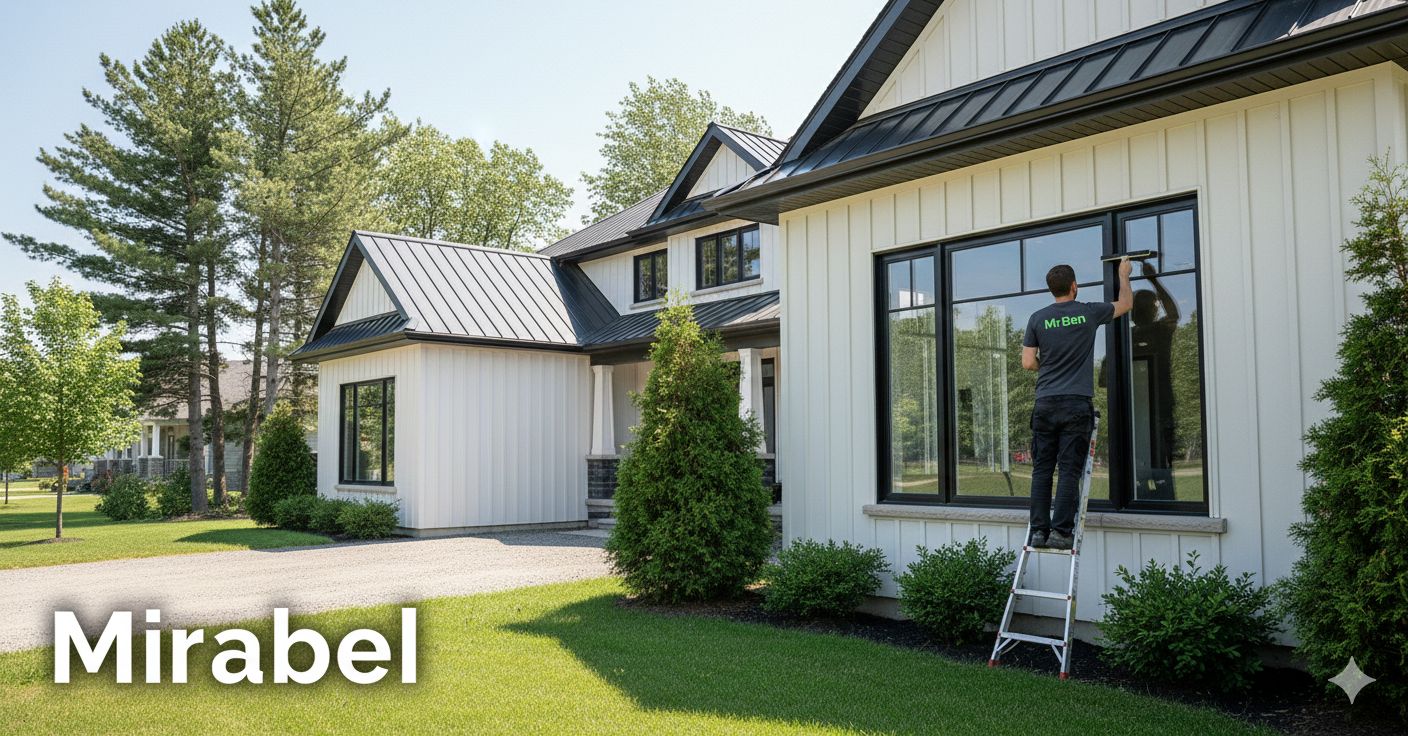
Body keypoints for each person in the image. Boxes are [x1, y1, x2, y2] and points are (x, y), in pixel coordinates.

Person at [1020, 259, 1133, 550]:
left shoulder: (1037, 318)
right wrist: (1123, 274)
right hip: (1075, 404)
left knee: (1042, 470)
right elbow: (1125, 304)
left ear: (1051, 289)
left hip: (1045, 403)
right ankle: (1061, 532)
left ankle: (1038, 532)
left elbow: (1028, 362)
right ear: (1074, 286)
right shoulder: (1088, 312)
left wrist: (1048, 367)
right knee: (1069, 470)